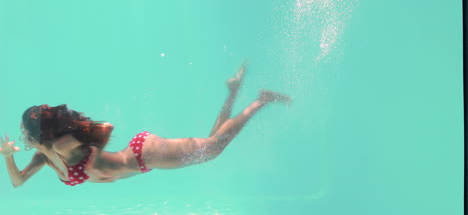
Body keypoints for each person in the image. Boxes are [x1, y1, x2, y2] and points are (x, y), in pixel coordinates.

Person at [0, 64, 291, 187]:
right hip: (144, 157)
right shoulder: (44, 155)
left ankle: (260, 100)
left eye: (28, 132)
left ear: (40, 133)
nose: (24, 136)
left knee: (213, 149)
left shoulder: (59, 147)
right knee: (211, 144)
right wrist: (9, 157)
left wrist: (96, 163)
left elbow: (107, 128)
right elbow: (17, 181)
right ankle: (233, 90)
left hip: (144, 155)